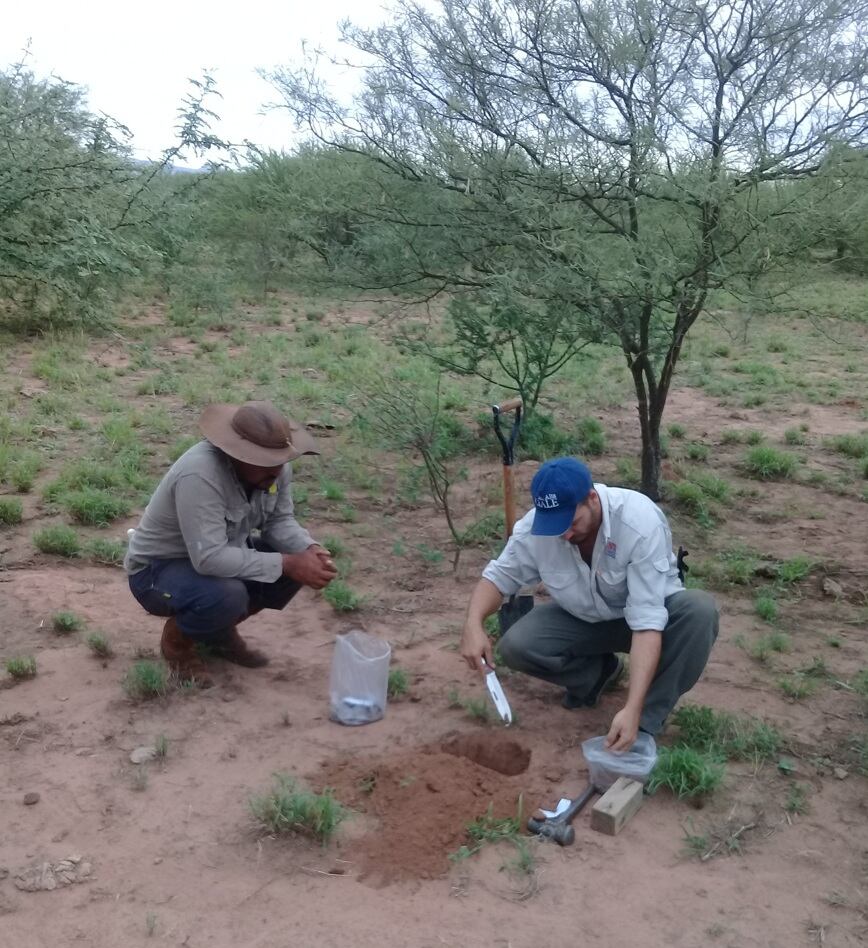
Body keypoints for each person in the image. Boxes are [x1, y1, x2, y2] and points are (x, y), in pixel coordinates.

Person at [460, 457, 718, 750]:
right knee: (516, 645)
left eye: (570, 522)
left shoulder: (638, 522)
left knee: (699, 612)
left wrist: (632, 709)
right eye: (554, 526)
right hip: (582, 617)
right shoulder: (535, 529)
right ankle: (597, 676)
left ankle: (646, 722)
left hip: (646, 617)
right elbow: (498, 577)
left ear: (592, 499)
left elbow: (646, 623)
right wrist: (473, 623)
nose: (564, 534)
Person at [125, 400, 337, 687]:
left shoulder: (274, 469)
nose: (277, 469)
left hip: (216, 556)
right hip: (156, 572)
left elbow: (279, 521)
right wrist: (287, 563)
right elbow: (209, 558)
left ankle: (216, 633)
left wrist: (308, 549)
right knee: (228, 595)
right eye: (264, 460)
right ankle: (178, 645)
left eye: (280, 459)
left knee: (289, 563)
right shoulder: (200, 473)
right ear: (238, 454)